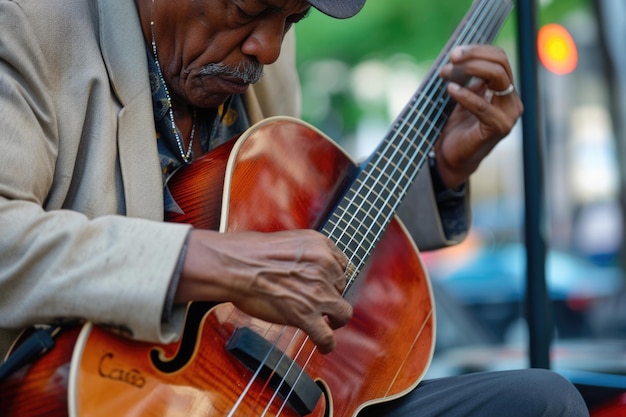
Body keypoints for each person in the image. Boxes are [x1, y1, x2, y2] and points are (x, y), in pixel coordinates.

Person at [0, 0, 588, 416]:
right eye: (250, 9)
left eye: (292, 18)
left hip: (260, 390)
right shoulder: (30, 26)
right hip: (99, 392)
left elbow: (312, 244)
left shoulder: (257, 62)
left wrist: (442, 169)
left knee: (544, 401)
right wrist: (209, 262)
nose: (271, 47)